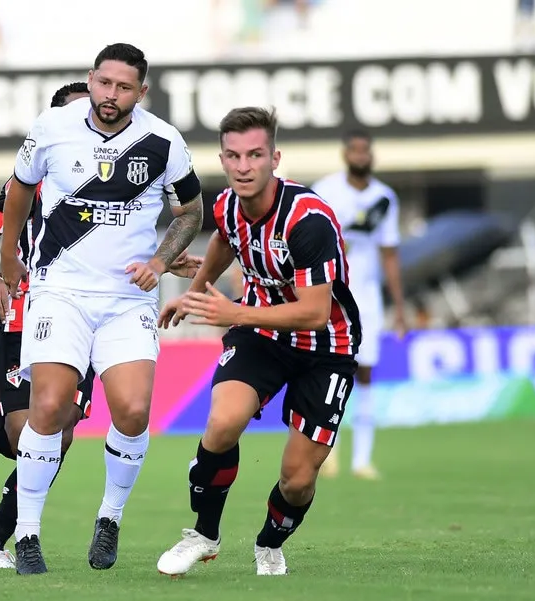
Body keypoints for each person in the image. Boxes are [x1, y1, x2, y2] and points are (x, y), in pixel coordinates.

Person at [0, 81, 202, 571]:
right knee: (23, 431)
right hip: (26, 310)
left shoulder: (122, 170)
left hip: (97, 311)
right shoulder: (29, 184)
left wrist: (160, 260)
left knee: (59, 432)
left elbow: (116, 234)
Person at [0, 43, 204, 575]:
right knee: (48, 409)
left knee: (133, 411)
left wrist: (160, 263)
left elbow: (190, 210)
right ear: (90, 80)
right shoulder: (51, 127)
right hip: (59, 290)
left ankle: (109, 518)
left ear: (142, 91)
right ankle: (27, 535)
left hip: (127, 298)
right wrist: (8, 258)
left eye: (124, 87)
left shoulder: (163, 140)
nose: (111, 96)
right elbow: (18, 191)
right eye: (104, 83)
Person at [155, 106, 361, 577]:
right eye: (233, 156)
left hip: (327, 348)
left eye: (254, 155)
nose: (244, 166)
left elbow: (313, 313)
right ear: (223, 160)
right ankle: (204, 535)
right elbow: (224, 240)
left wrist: (233, 311)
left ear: (275, 158)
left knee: (298, 480)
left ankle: (269, 543)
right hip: (262, 334)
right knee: (223, 423)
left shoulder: (308, 220)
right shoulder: (228, 205)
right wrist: (194, 294)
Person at [311, 129, 405, 480]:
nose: (361, 156)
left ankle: (362, 459)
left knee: (365, 374)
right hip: (332, 294)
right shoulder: (325, 191)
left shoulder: (385, 198)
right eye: (355, 150)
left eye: (366, 150)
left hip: (367, 299)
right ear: (345, 154)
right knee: (329, 371)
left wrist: (399, 306)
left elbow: (390, 254)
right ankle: (327, 452)